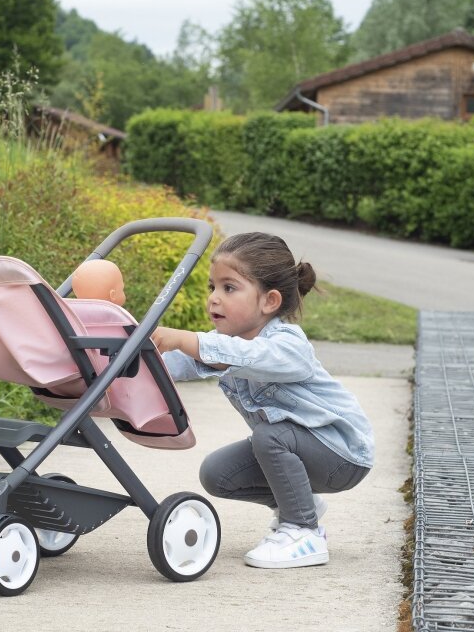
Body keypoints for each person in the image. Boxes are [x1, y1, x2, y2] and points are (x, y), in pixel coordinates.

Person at [151, 232, 373, 569]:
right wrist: (129, 365)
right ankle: (301, 505)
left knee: (270, 436)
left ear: (269, 302)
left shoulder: (286, 343)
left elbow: (248, 356)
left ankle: (303, 532)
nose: (213, 298)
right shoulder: (224, 344)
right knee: (217, 473)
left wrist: (186, 339)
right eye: (212, 287)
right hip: (305, 451)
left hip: (343, 455)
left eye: (229, 288)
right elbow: (174, 366)